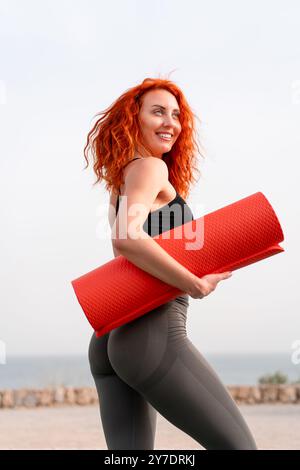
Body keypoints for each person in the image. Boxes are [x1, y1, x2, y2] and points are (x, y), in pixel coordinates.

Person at [84, 77, 257, 450]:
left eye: (176, 115)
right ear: (135, 120)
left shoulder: (124, 179)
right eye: (158, 112)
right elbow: (127, 239)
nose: (171, 122)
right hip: (152, 334)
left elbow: (124, 258)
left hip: (112, 338)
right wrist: (194, 283)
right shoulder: (150, 168)